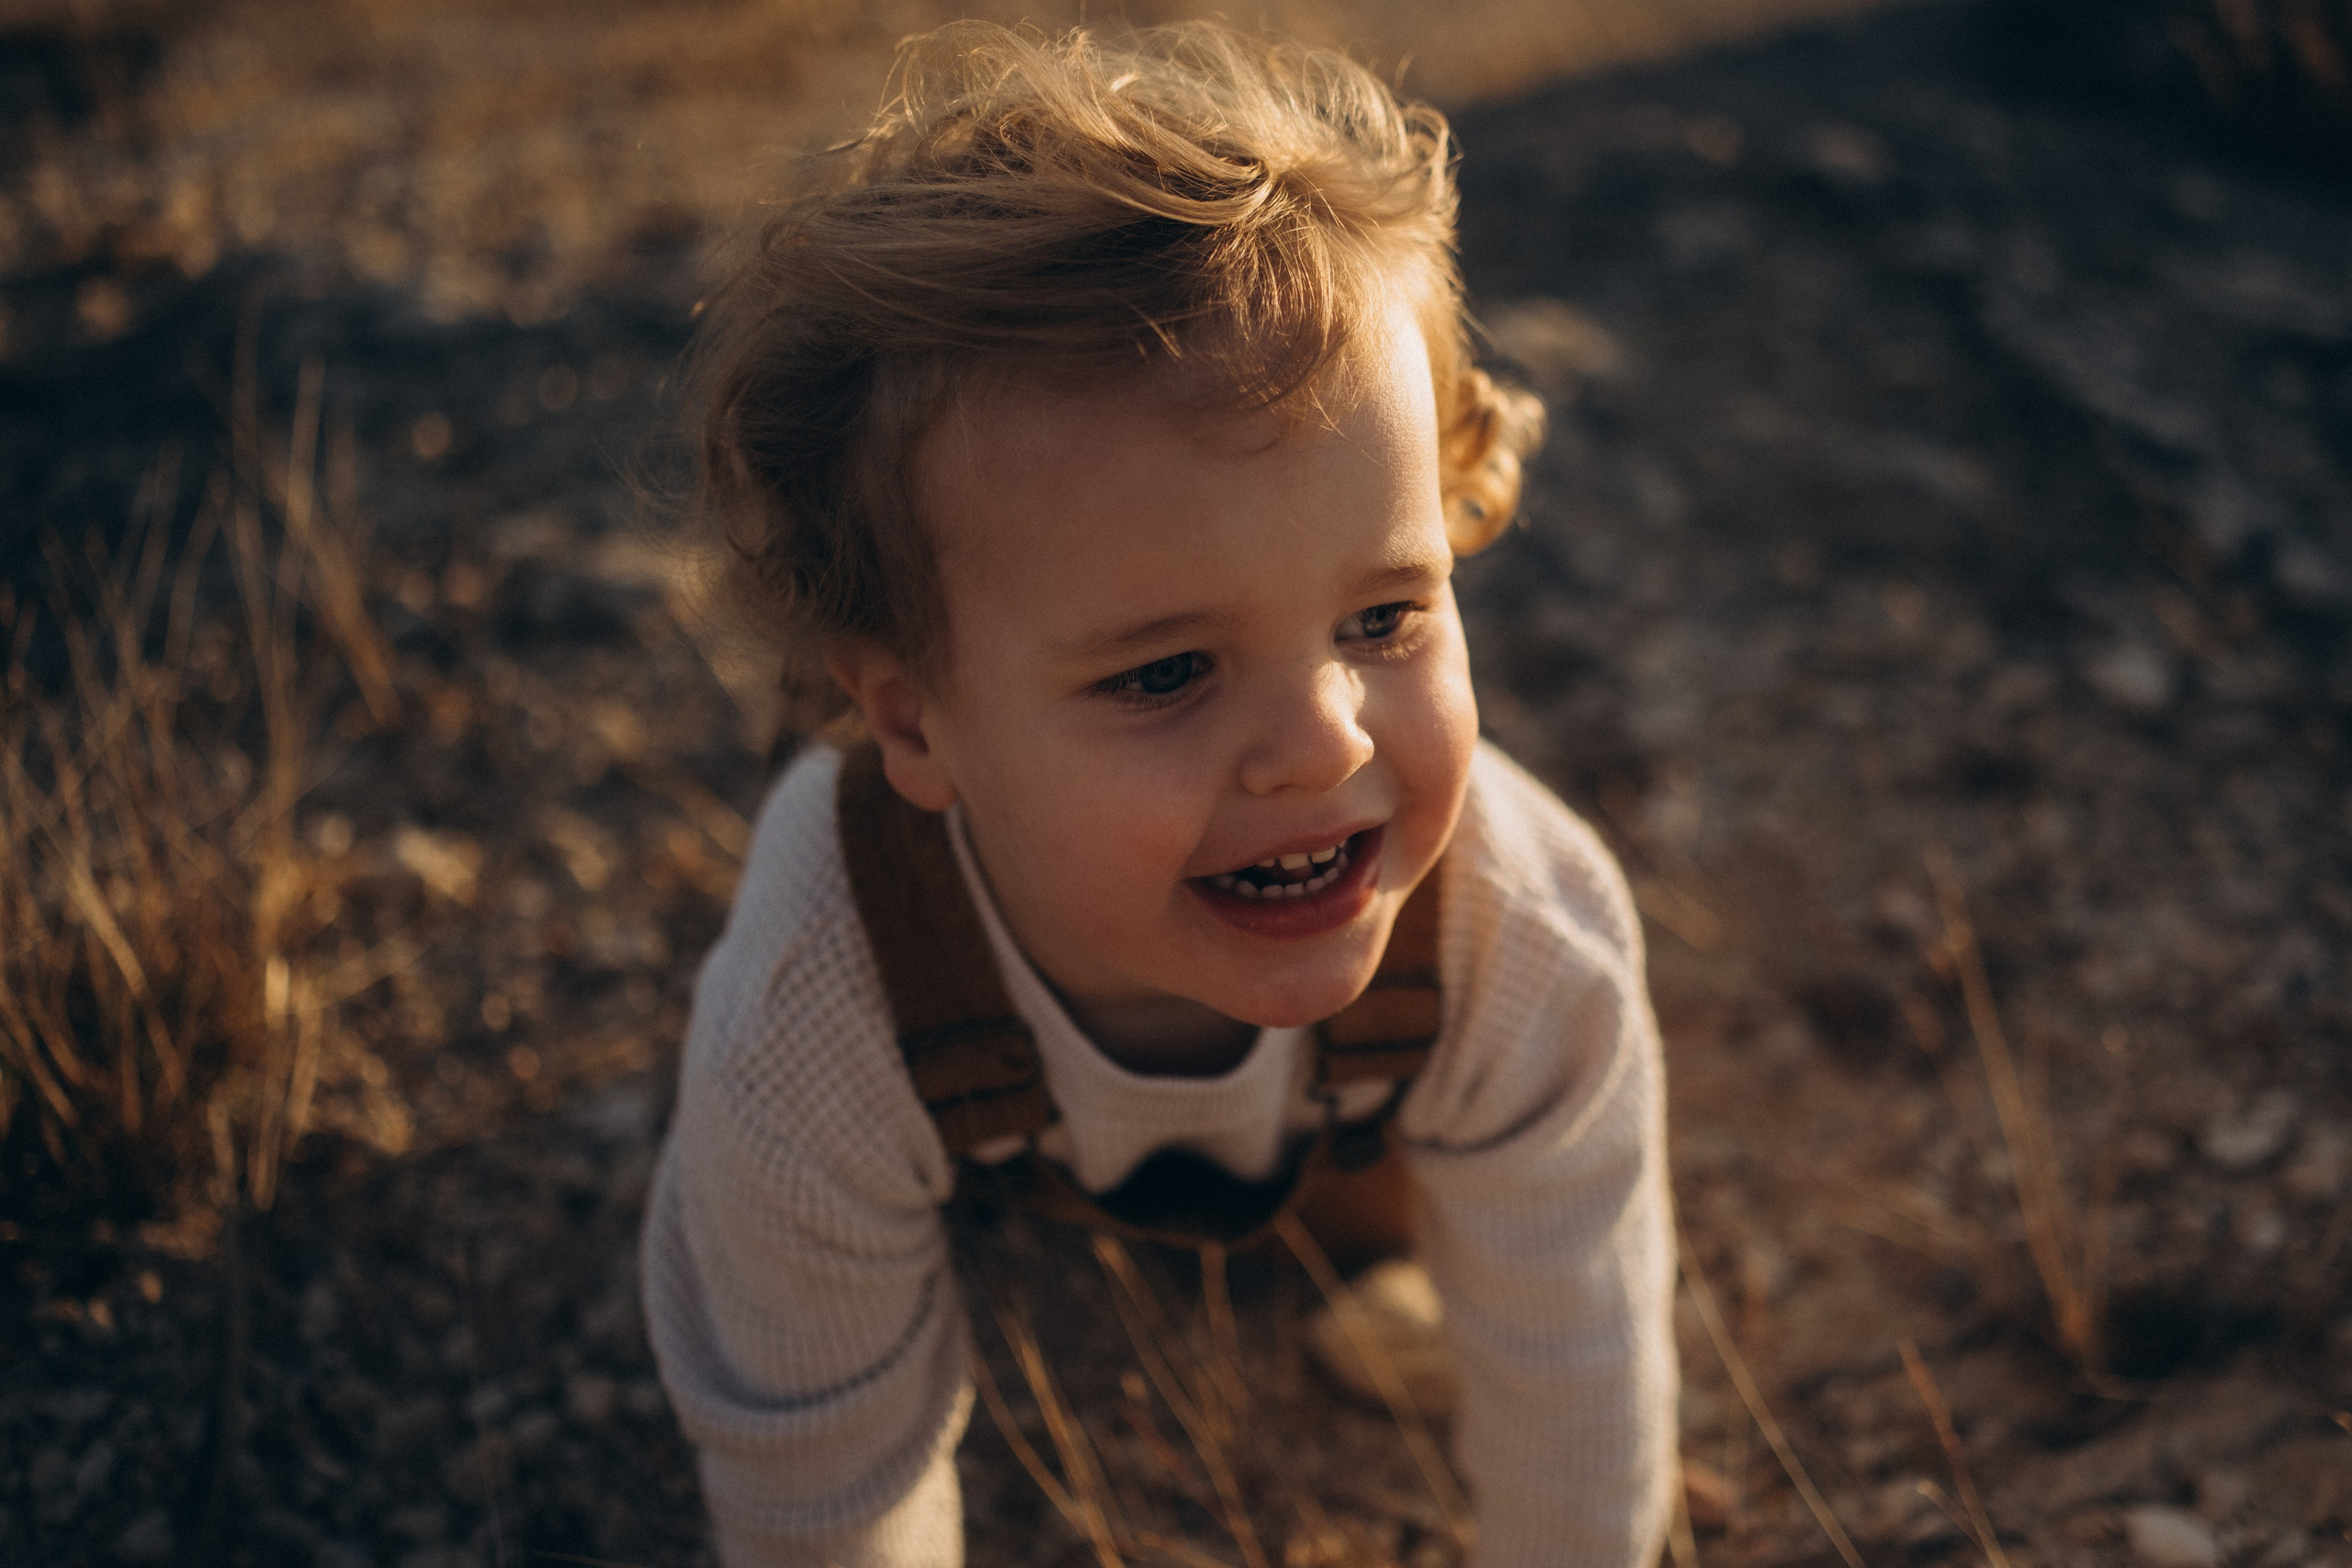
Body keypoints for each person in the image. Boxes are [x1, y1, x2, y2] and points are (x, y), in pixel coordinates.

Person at [641, 20, 1676, 1567]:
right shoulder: (816, 1028)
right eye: (1163, 674)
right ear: (911, 721)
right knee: (834, 1224)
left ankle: (1361, 1220)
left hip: (1354, 1113)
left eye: (1383, 617)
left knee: (1437, 1185)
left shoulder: (1527, 941)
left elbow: (1580, 1360)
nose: (1323, 745)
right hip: (983, 1118)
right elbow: (816, 1482)